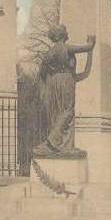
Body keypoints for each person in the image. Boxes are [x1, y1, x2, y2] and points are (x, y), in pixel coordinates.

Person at [33, 24, 95, 157]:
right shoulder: (66, 48)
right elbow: (88, 47)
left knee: (57, 112)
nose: (68, 32)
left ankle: (63, 145)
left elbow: (42, 73)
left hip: (54, 82)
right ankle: (52, 140)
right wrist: (91, 41)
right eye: (65, 31)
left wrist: (45, 88)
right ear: (61, 35)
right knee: (67, 111)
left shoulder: (50, 52)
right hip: (66, 81)